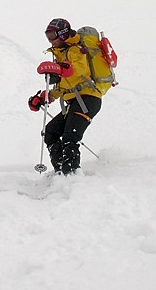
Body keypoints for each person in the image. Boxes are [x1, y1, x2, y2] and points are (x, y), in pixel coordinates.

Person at [27, 18, 103, 175]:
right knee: (51, 132)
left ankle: (72, 175)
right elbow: (65, 85)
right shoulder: (61, 54)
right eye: (47, 36)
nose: (50, 40)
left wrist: (60, 69)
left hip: (88, 99)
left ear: (62, 34)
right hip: (74, 101)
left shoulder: (77, 50)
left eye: (52, 36)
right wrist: (45, 97)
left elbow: (78, 70)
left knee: (70, 137)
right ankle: (61, 173)